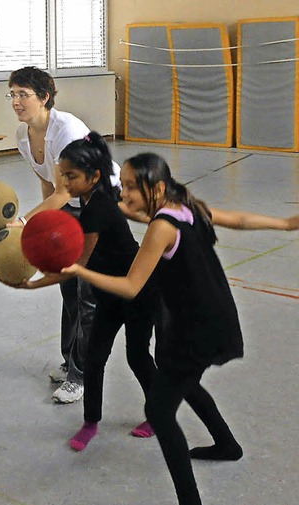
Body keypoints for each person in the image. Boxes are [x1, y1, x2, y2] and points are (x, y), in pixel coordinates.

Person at [60, 152, 299, 505]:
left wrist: (79, 270)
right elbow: (239, 219)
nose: (123, 194)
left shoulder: (161, 227)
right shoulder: (186, 205)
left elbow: (130, 286)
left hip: (196, 327)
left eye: (130, 187)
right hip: (212, 316)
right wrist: (286, 224)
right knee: (185, 384)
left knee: (159, 411)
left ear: (155, 187)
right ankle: (227, 444)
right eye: (121, 185)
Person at [5, 132, 159, 439]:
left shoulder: (96, 209)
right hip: (109, 296)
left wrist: (33, 285)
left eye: (71, 176)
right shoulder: (92, 200)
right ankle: (90, 423)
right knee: (95, 357)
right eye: (62, 175)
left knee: (138, 357)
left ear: (94, 176)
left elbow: (78, 266)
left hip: (136, 293)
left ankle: (157, 415)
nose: (64, 183)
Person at [6, 66, 122, 404]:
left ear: (44, 97)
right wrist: (44, 222)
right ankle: (69, 358)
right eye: (12, 94)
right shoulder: (22, 135)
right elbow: (47, 184)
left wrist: (25, 222)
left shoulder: (66, 130)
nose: (16, 101)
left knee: (86, 294)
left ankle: (80, 374)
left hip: (99, 206)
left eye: (23, 94)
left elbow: (64, 191)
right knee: (67, 288)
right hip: (71, 204)